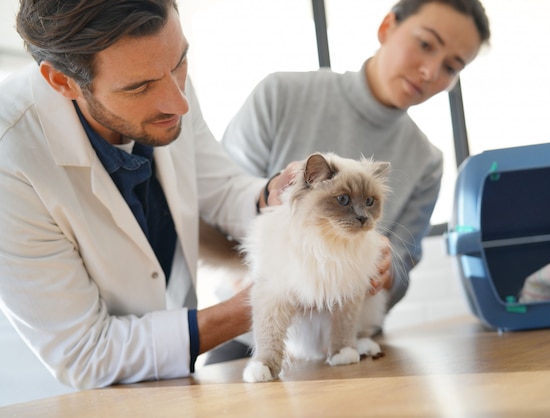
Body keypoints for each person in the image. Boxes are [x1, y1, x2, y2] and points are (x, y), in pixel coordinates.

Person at [0, 0, 289, 390]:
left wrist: (277, 196)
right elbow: (86, 352)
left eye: (180, 62)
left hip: (175, 386)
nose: (180, 103)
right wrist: (268, 301)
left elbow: (221, 188)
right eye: (139, 87)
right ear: (63, 82)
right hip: (75, 399)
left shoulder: (158, 72)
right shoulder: (11, 155)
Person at [221, 0, 491, 324]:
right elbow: (218, 205)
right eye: (425, 44)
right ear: (386, 27)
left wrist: (386, 270)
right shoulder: (279, 95)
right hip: (250, 324)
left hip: (345, 334)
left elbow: (402, 273)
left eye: (451, 66)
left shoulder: (428, 161)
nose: (430, 71)